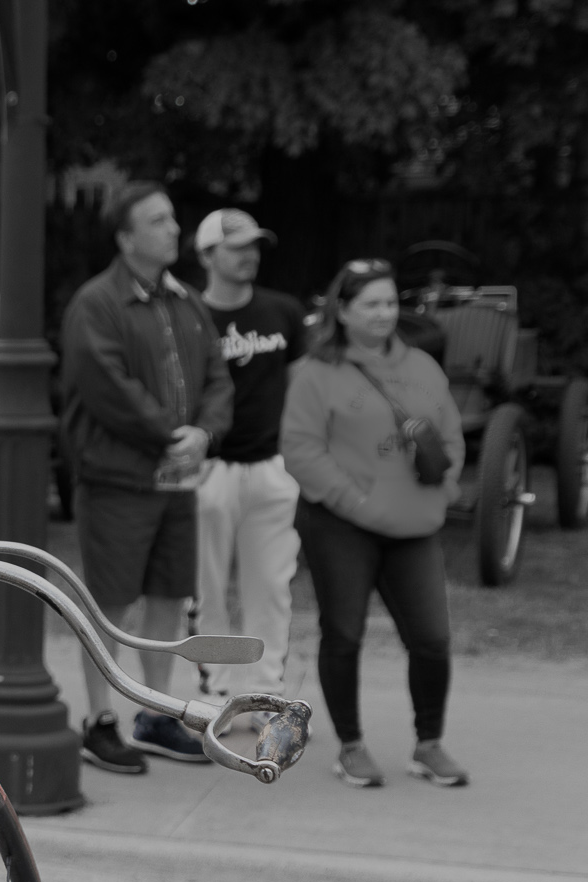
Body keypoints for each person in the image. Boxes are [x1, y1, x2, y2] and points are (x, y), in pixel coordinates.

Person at [59, 181, 233, 773]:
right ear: (126, 237)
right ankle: (99, 721)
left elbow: (217, 377)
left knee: (168, 596)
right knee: (109, 604)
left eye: (172, 218)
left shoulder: (185, 301)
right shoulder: (97, 303)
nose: (173, 229)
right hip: (118, 481)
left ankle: (157, 714)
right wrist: (172, 437)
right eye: (158, 221)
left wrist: (203, 434)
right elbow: (109, 389)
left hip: (177, 481)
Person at [279, 258, 469, 787]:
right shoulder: (316, 374)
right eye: (372, 304)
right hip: (343, 525)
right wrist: (356, 502)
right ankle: (351, 746)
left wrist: (446, 492)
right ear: (343, 311)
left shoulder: (423, 367)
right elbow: (301, 450)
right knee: (343, 635)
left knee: (432, 639)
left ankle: (428, 744)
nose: (385, 313)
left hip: (415, 527)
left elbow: (451, 438)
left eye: (390, 303)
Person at [193, 208, 307, 717]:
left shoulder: (283, 312)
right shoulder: (188, 315)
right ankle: (214, 692)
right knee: (205, 586)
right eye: (237, 247)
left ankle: (267, 696)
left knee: (271, 586)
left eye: (255, 246)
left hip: (270, 466)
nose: (250, 256)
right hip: (209, 469)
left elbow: (304, 391)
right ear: (207, 255)